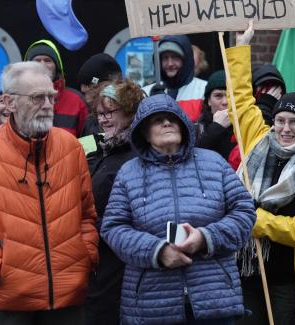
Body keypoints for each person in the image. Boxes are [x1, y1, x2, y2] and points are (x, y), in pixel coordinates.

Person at [101, 93, 256, 325]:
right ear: (144, 131)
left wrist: (206, 238)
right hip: (152, 305)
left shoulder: (213, 162)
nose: (166, 123)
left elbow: (244, 212)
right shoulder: (128, 173)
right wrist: (157, 252)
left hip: (214, 300)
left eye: (172, 119)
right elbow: (113, 228)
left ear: (184, 125)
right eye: (157, 120)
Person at [226, 22, 295, 325]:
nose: (286, 129)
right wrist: (240, 46)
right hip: (248, 275)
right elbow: (240, 102)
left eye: (294, 122)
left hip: (290, 284)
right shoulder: (258, 142)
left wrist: (261, 222)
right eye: (280, 120)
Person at [0, 61, 98, 323]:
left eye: (51, 96)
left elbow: (87, 214)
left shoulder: (70, 146)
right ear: (9, 102)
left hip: (68, 296)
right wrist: (1, 269)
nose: (47, 104)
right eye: (37, 97)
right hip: (11, 300)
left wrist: (84, 258)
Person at [85, 79, 143, 325]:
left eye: (111, 112)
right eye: (100, 113)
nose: (104, 119)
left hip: (120, 263)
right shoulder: (100, 149)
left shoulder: (138, 153)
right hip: (97, 258)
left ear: (129, 112)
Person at [24, 39, 89, 136]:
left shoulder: (76, 100)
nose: (42, 65)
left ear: (57, 67)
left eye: (48, 60)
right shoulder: (19, 98)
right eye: (37, 61)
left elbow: (90, 142)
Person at [143, 35, 207, 122]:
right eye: (165, 57)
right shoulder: (145, 93)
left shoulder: (204, 90)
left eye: (175, 57)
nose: (170, 63)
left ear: (186, 59)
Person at [77, 53, 123, 136]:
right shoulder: (90, 121)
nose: (87, 99)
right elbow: (86, 148)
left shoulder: (133, 118)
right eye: (84, 93)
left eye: (91, 92)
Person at [197, 69, 237, 161]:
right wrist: (216, 128)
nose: (225, 102)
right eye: (218, 96)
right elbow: (196, 157)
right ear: (208, 101)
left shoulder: (245, 126)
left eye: (230, 96)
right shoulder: (198, 129)